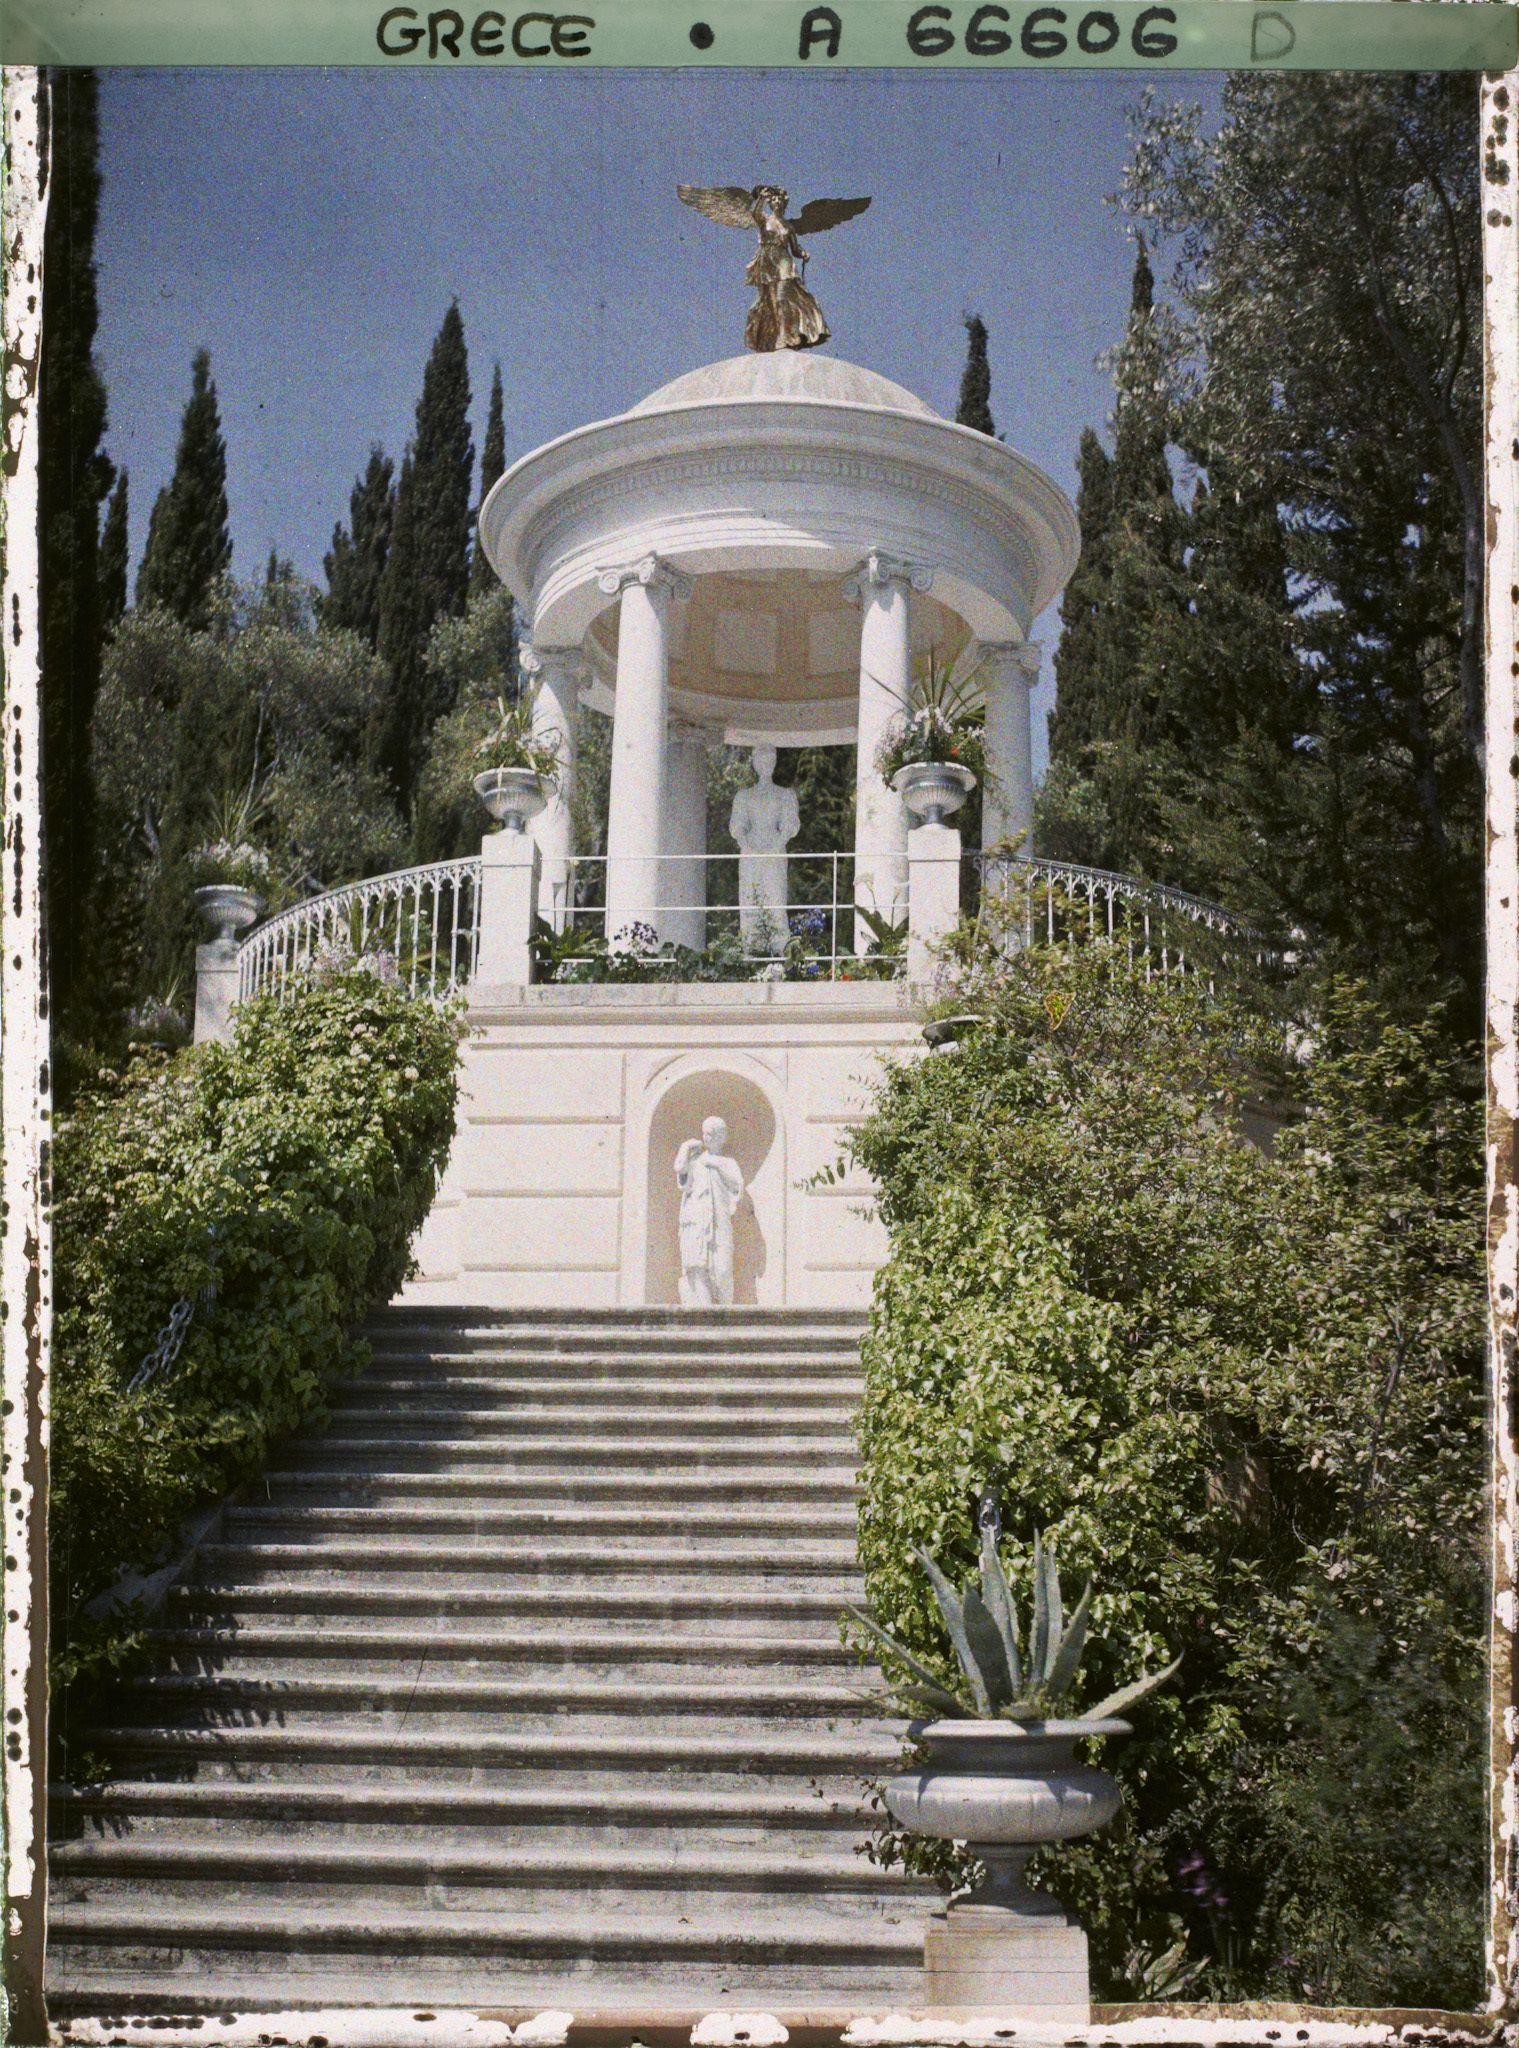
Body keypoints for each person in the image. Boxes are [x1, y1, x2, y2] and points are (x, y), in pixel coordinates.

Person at [729, 743, 800, 952]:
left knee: (775, 900)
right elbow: (737, 826)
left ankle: (780, 954)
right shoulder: (744, 796)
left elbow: (790, 824)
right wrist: (748, 846)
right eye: (761, 759)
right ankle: (751, 953)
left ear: (775, 762)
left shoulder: (785, 795)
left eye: (770, 759)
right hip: (751, 853)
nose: (766, 764)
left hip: (775, 851)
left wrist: (774, 847)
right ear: (754, 762)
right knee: (750, 902)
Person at [675, 1116, 745, 1306]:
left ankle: (724, 1314)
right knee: (697, 1266)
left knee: (722, 1268)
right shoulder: (695, 1161)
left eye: (712, 1134)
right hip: (696, 1221)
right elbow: (681, 1171)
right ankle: (703, 1310)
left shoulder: (728, 1163)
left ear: (723, 1137)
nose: (707, 1138)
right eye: (705, 1133)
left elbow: (737, 1185)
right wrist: (685, 1148)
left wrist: (715, 1164)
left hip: (719, 1222)